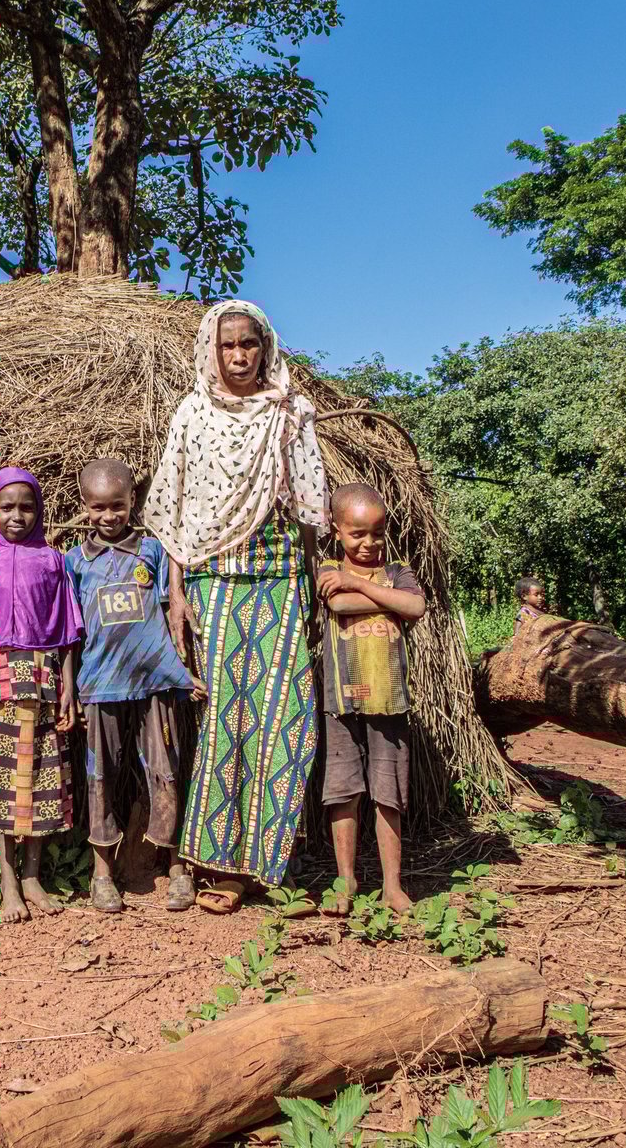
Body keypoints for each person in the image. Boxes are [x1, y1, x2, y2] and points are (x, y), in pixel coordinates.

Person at [145, 300, 332, 914]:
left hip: (279, 576)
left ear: (266, 346)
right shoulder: (193, 414)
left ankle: (270, 859)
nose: (239, 356)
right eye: (228, 346)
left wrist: (308, 591)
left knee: (285, 717)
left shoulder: (292, 412)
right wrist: (175, 594)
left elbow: (308, 510)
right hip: (213, 581)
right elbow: (173, 514)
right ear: (211, 349)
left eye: (249, 343)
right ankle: (220, 866)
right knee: (225, 720)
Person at [64, 458, 205, 914]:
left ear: (133, 503)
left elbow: (170, 617)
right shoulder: (75, 563)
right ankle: (101, 872)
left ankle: (176, 864)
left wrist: (181, 675)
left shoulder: (152, 553)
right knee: (100, 775)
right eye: (99, 508)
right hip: (100, 685)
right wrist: (71, 688)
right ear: (84, 506)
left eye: (118, 506)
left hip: (152, 684)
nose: (109, 516)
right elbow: (71, 633)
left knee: (165, 770)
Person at [0, 467, 85, 923]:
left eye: (27, 506)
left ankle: (33, 876)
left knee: (44, 778)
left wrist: (69, 686)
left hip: (44, 678)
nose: (18, 516)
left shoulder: (52, 560)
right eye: (7, 507)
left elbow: (68, 630)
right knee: (1, 783)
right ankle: (9, 882)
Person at [315, 483, 427, 914]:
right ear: (337, 531)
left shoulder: (398, 571)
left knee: (388, 793)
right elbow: (339, 606)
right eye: (357, 534)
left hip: (391, 698)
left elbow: (415, 607)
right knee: (343, 792)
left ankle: (392, 886)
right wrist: (382, 602)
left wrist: (358, 586)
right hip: (341, 699)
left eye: (377, 533)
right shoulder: (325, 568)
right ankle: (346, 879)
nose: (369, 543)